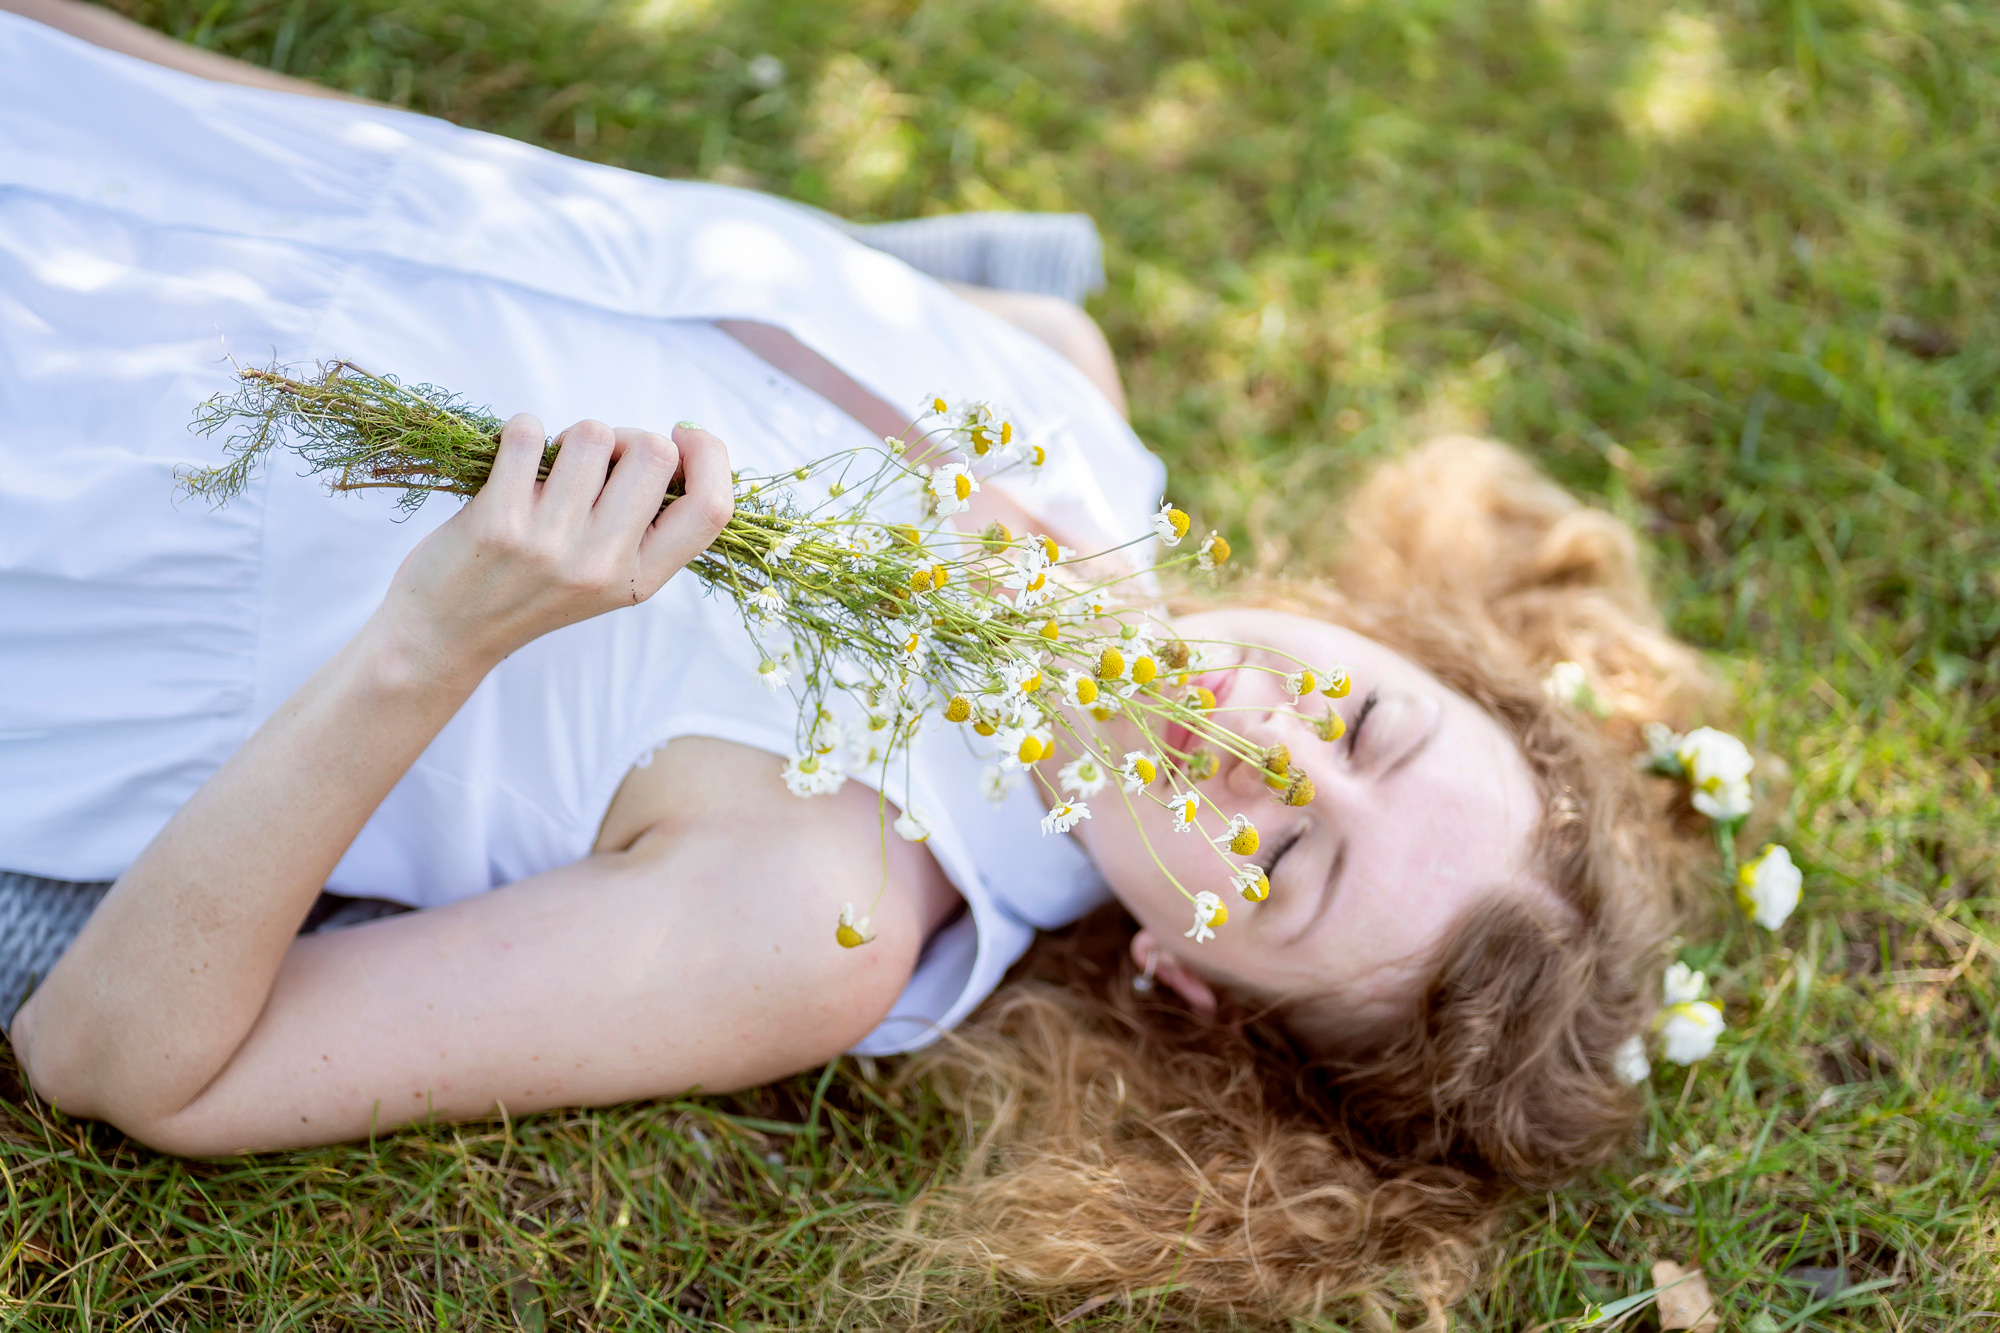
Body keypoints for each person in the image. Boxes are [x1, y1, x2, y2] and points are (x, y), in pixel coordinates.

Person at [0, 5, 1716, 1318]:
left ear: (1186, 981)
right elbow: (450, 198)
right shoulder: (1048, 378)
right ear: (1373, 634)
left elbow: (128, 1062)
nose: (1255, 741)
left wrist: (433, 641)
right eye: (1356, 717)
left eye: (1278, 860)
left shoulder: (820, 915)